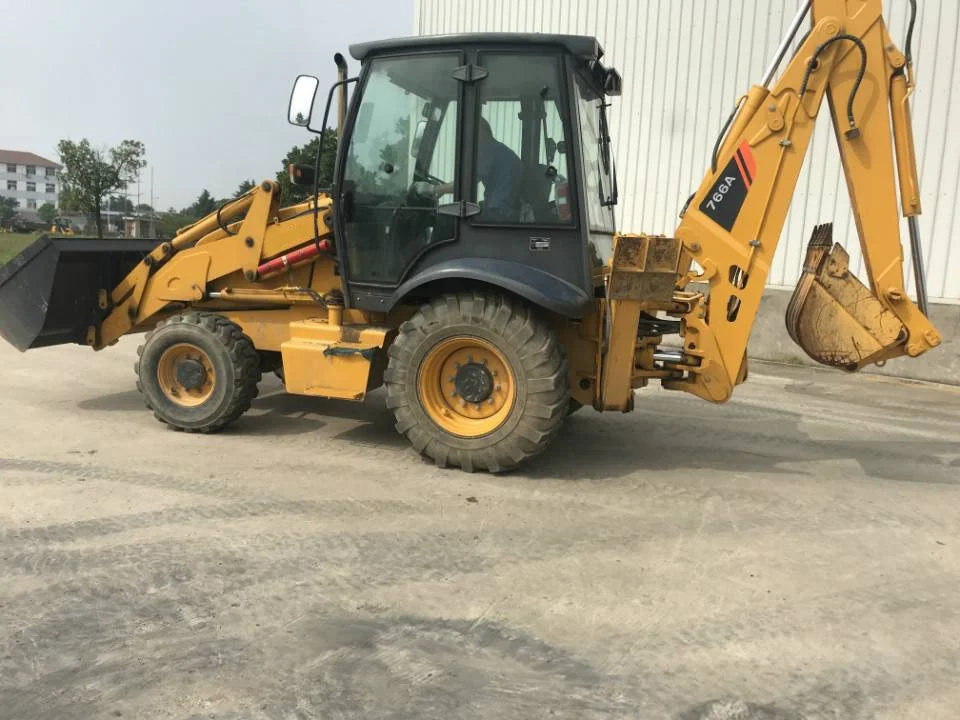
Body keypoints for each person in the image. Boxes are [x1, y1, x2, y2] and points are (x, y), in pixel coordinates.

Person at [414, 117, 523, 222]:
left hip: (498, 213)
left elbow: (466, 184)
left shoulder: (488, 150)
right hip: (505, 210)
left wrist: (433, 189)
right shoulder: (499, 149)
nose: (468, 138)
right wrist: (443, 188)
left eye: (470, 132)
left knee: (445, 218)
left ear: (482, 130)